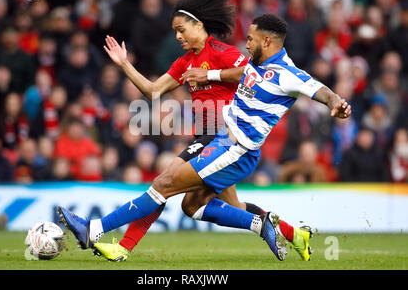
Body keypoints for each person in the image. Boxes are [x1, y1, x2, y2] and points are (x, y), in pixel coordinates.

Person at [59, 14, 352, 262]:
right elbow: (154, 90)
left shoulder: (272, 68)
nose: (177, 36)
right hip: (222, 140)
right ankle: (286, 231)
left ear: (199, 26)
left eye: (181, 30)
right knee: (194, 205)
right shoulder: (220, 62)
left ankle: (100, 234)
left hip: (229, 142)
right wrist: (125, 64)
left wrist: (336, 103)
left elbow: (319, 89)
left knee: (164, 183)